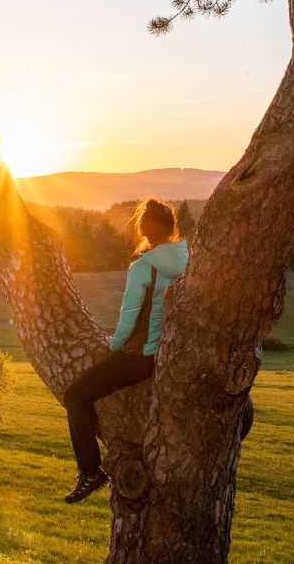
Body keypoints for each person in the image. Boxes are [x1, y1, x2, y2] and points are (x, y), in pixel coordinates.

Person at [62, 197, 189, 504]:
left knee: (75, 396)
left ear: (142, 229)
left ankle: (90, 472)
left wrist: (113, 345)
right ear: (172, 228)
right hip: (171, 354)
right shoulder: (187, 258)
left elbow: (129, 317)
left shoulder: (142, 268)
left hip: (140, 357)